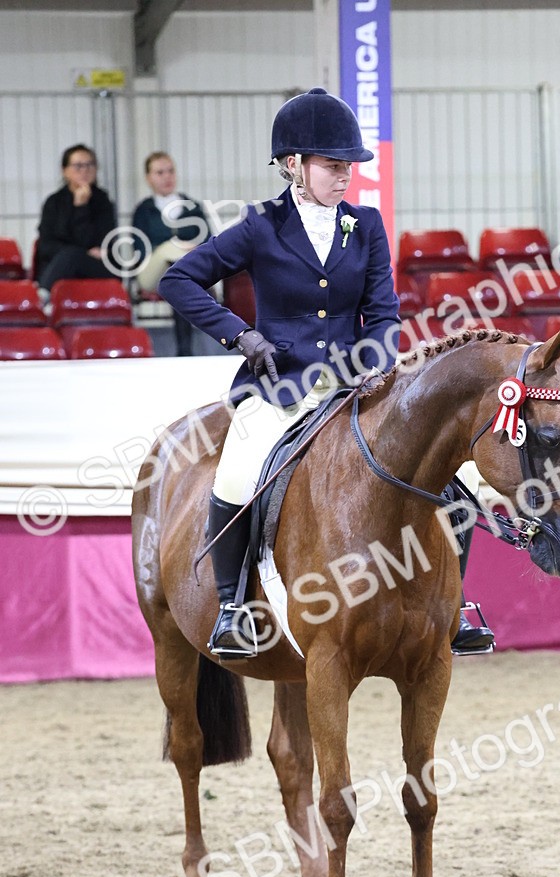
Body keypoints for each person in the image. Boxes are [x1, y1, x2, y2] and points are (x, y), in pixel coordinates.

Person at [160, 87, 494, 658]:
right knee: (237, 474)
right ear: (294, 164)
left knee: (453, 483)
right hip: (280, 389)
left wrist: (370, 364)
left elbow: (384, 312)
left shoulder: (364, 226)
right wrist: (241, 334)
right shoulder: (260, 225)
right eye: (333, 166)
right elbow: (178, 280)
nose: (346, 177)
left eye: (349, 167)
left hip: (354, 389)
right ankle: (235, 608)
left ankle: (454, 603)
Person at [131, 152, 207, 355]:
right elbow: (139, 248)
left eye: (170, 171)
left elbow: (208, 241)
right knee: (173, 257)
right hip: (153, 273)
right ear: (148, 178)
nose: (167, 177)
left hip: (186, 272)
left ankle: (184, 350)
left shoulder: (193, 208)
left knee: (179, 279)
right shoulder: (143, 211)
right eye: (160, 172)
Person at [36, 144, 116, 291]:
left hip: (94, 267)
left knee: (73, 255)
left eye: (90, 165)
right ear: (65, 171)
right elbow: (46, 245)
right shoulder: (54, 202)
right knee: (71, 255)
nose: (85, 170)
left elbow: (105, 243)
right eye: (78, 166)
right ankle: (44, 297)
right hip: (59, 266)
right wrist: (79, 251)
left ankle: (42, 296)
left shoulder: (103, 201)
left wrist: (81, 208)